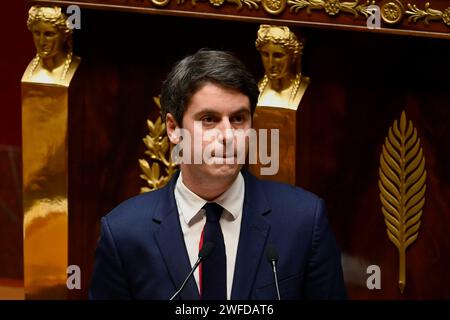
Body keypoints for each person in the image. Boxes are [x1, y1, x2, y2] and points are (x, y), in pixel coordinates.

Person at [89, 49, 346, 300]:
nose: (228, 136)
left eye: (238, 119)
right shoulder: (123, 232)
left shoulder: (304, 220)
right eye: (209, 119)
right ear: (173, 128)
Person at [255, 25, 310, 110]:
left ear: (293, 57)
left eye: (278, 56)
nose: (271, 63)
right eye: (265, 55)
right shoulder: (257, 88)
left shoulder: (305, 87)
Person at [25, 6, 79, 85]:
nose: (41, 42)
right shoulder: (30, 71)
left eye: (49, 34)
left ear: (64, 36)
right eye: (37, 33)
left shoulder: (76, 66)